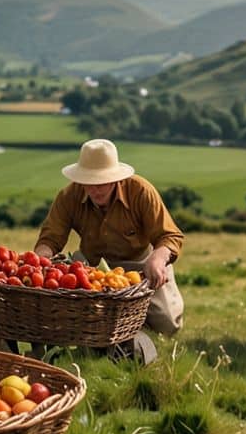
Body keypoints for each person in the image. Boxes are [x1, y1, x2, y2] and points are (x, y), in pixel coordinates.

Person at [33, 139, 185, 361]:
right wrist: (40, 260)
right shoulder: (68, 196)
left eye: (101, 182)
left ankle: (135, 331)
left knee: (167, 324)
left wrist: (158, 259)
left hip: (140, 266)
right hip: (91, 267)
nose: (94, 188)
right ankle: (97, 338)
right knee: (78, 321)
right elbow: (50, 239)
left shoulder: (141, 191)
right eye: (88, 181)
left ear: (116, 178)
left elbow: (170, 236)